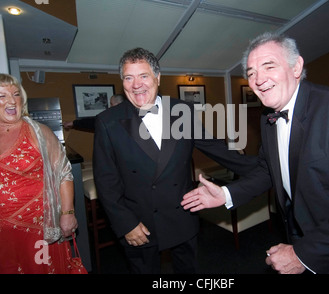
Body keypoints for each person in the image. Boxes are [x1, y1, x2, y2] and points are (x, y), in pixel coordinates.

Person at [182, 32, 329, 274]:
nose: (258, 79)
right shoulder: (268, 118)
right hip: (320, 238)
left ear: (296, 67)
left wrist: (302, 255)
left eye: (268, 66)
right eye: (251, 73)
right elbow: (269, 170)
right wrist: (226, 194)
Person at [93, 47, 257, 274]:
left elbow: (216, 148)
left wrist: (264, 167)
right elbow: (106, 181)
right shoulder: (107, 121)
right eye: (128, 78)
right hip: (138, 222)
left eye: (143, 76)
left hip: (181, 215)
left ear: (157, 78)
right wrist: (125, 224)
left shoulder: (183, 110)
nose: (136, 84)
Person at [0, 73, 79, 274]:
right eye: (2, 96)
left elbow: (64, 173)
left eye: (16, 94)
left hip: (38, 229)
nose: (12, 100)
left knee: (44, 269)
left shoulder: (39, 131)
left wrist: (68, 213)